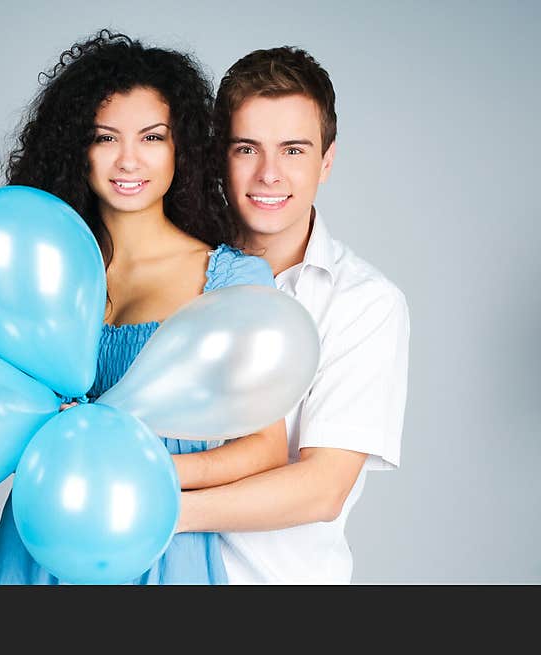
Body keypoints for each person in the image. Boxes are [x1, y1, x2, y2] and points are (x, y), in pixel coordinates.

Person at [0, 30, 288, 585]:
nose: (128, 160)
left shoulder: (231, 280)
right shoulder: (41, 276)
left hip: (158, 546)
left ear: (181, 149)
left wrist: (146, 475)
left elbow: (265, 448)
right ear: (78, 149)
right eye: (105, 138)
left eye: (152, 137)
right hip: (39, 543)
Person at [175, 46, 410, 583]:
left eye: (294, 151)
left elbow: (323, 488)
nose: (269, 174)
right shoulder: (176, 271)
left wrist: (157, 511)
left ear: (327, 161)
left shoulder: (365, 303)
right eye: (247, 149)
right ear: (219, 158)